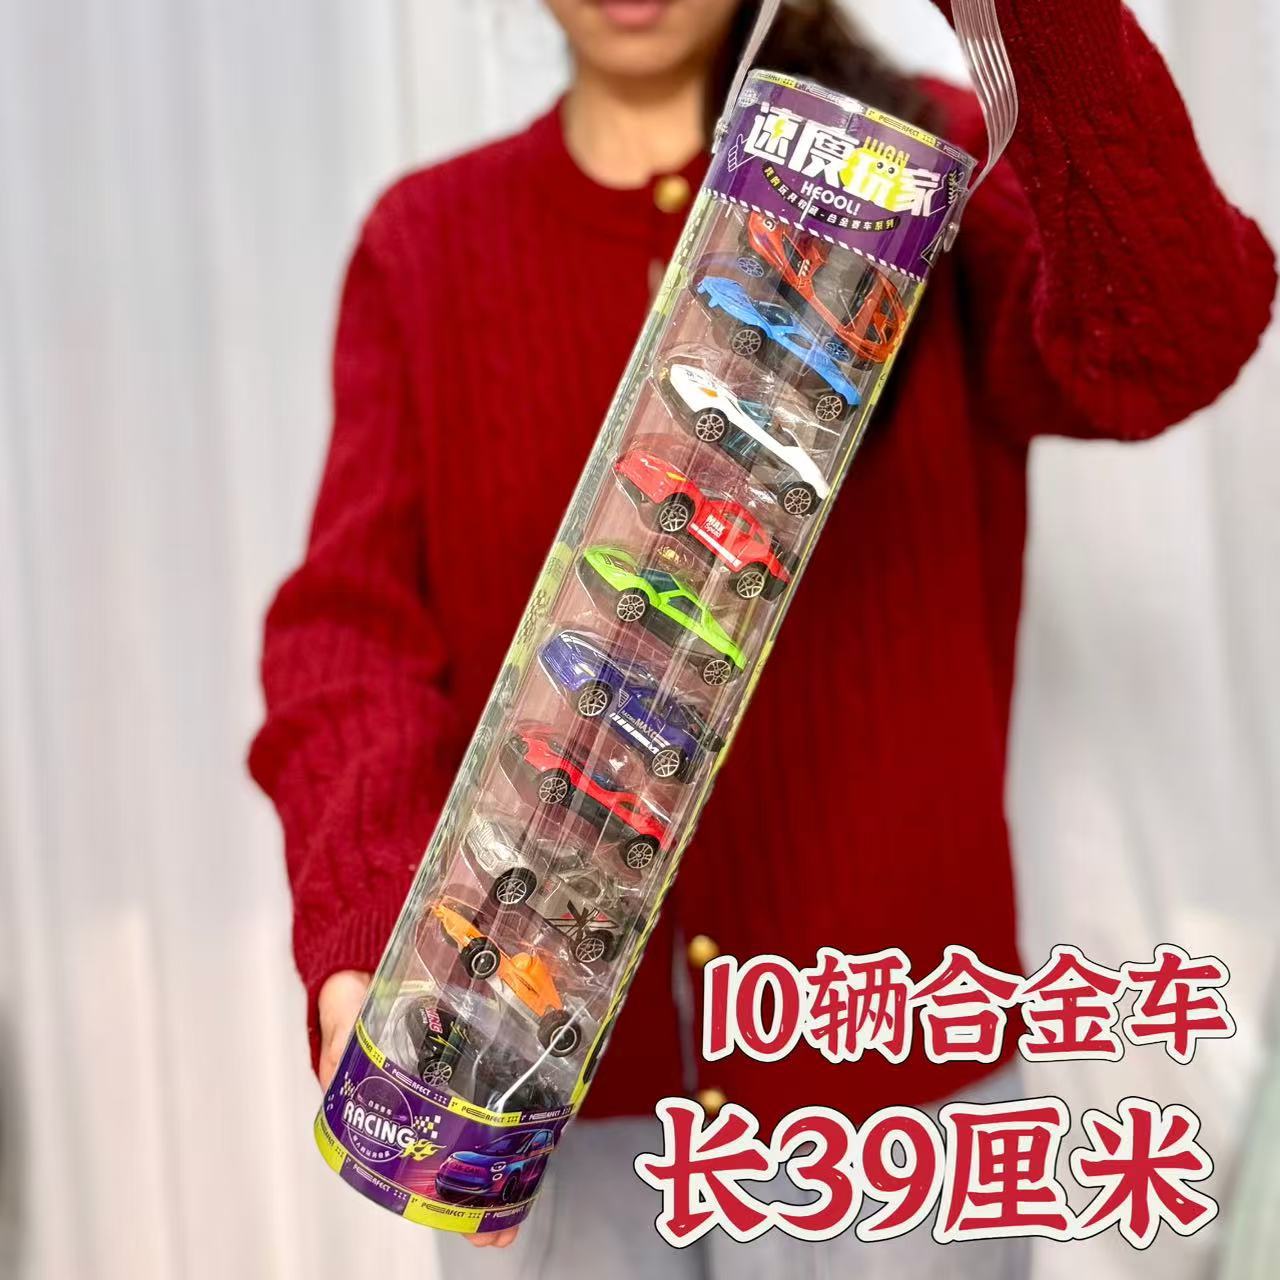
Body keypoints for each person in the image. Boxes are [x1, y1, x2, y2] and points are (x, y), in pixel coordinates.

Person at [249, 0, 1275, 1271]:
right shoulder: (430, 241)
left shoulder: (925, 162)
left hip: (884, 1100)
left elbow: (1173, 337)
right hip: (533, 1099)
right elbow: (347, 635)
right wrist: (370, 925)